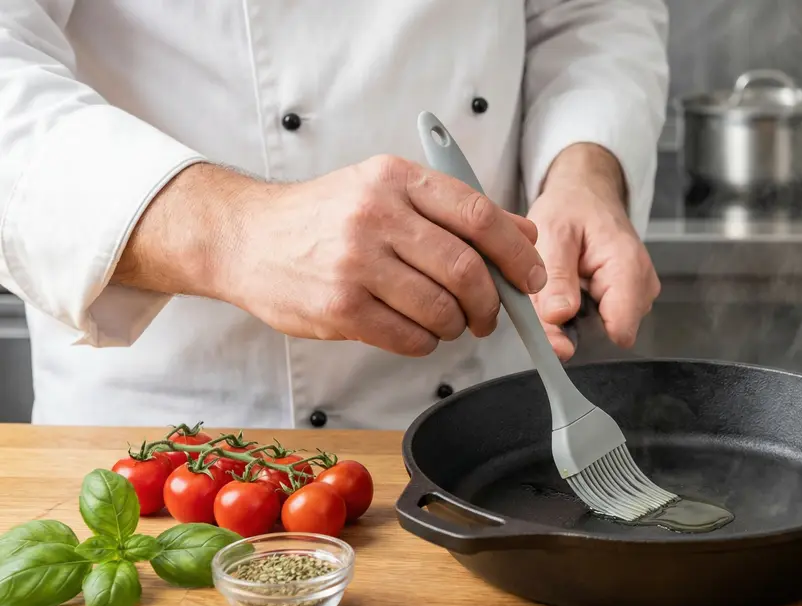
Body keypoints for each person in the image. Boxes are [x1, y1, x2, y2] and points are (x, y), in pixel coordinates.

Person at [0, 1, 669, 429]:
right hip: (179, 436)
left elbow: (590, 14)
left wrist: (584, 167)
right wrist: (232, 232)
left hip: (489, 412)